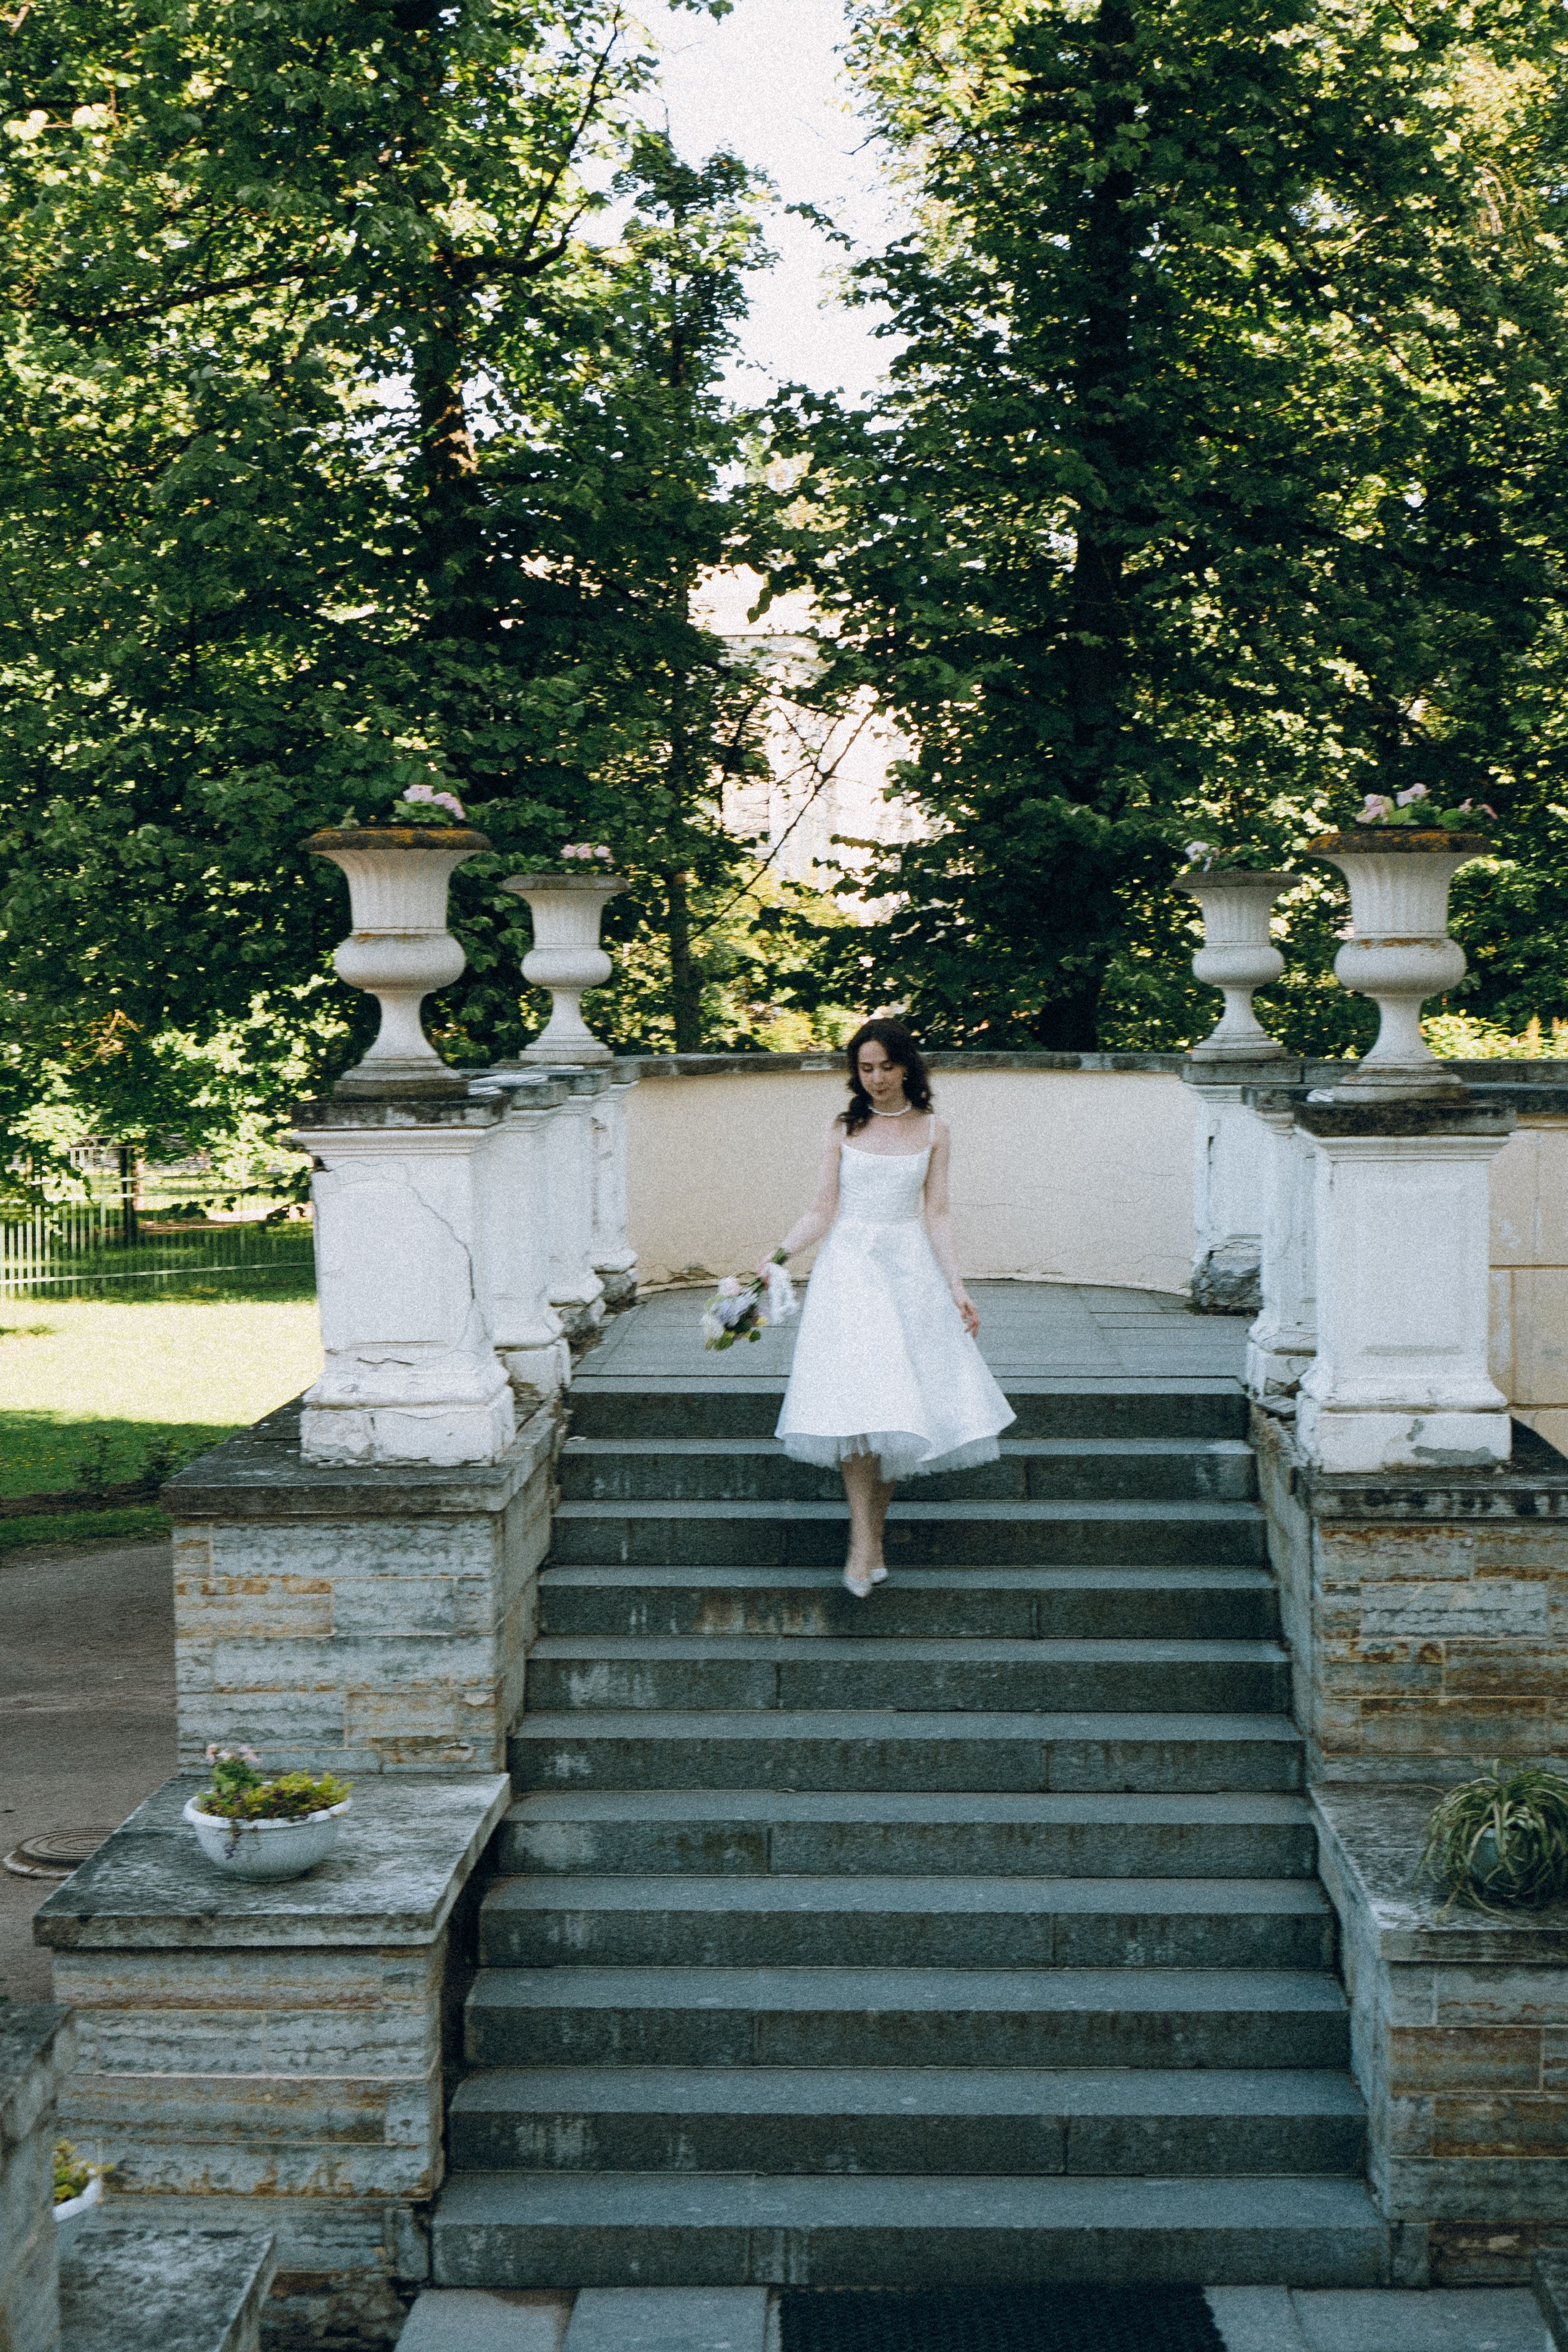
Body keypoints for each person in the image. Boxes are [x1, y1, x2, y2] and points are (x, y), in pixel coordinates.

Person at [764, 1018, 1015, 1598]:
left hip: (908, 1272)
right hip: (850, 1271)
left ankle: (869, 1541)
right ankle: (862, 1544)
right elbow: (821, 1208)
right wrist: (775, 1260)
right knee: (859, 1405)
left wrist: (957, 1287)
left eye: (886, 1066)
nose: (876, 1079)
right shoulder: (843, 1128)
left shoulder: (935, 1129)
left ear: (907, 1066)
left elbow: (940, 1213)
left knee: (898, 1407)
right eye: (865, 1068)